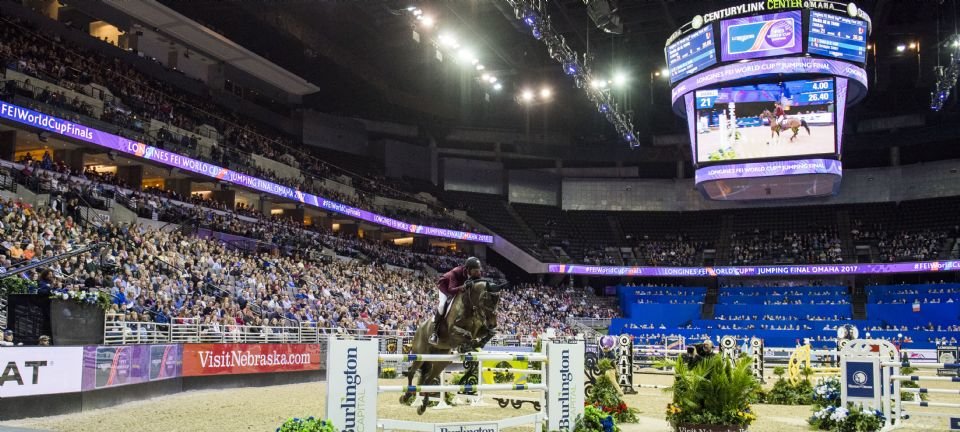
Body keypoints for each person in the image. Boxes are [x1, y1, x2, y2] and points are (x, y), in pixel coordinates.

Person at [429, 257, 482, 346]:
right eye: (475, 271)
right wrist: (464, 287)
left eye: (478, 270)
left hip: (460, 289)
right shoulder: (456, 272)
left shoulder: (477, 273)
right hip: (445, 288)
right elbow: (451, 290)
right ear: (468, 269)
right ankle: (434, 332)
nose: (478, 273)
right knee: (442, 306)